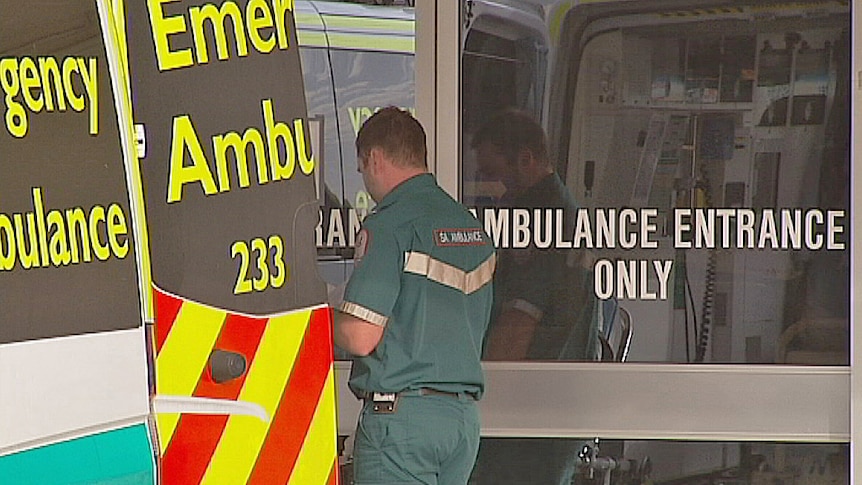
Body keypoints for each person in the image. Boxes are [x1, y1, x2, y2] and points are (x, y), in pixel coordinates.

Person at [331, 106, 496, 485]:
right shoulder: (473, 232)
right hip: (461, 423)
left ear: (373, 159)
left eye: (361, 170)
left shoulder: (391, 224)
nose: (364, 183)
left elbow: (360, 335)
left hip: (402, 424)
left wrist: (314, 317)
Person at [472, 108, 599, 362]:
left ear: (526, 160)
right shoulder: (561, 209)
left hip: (535, 382)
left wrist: (486, 392)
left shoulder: (542, 223)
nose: (483, 186)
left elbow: (517, 327)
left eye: (491, 173)